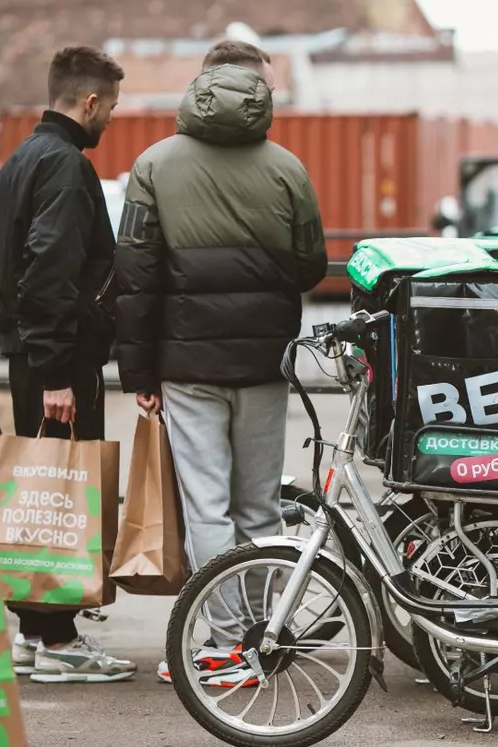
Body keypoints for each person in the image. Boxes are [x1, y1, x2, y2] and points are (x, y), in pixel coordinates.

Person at [113, 40, 328, 684]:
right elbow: (312, 265)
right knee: (260, 507)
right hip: (265, 362)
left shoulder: (153, 165)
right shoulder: (288, 168)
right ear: (256, 89)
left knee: (207, 507)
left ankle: (229, 644)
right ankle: (267, 638)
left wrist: (139, 374)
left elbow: (136, 277)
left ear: (201, 86)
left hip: (185, 366)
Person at [0, 45, 136, 683]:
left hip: (32, 353)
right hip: (58, 361)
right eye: (112, 108)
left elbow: (2, 264)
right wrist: (57, 374)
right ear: (90, 102)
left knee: (37, 495)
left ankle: (31, 633)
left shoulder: (23, 157)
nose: (112, 121)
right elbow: (48, 268)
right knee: (65, 495)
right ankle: (61, 640)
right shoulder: (67, 166)